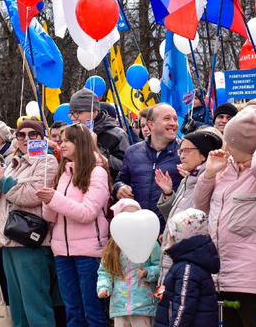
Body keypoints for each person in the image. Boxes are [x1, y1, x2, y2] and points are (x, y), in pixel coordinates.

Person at [194, 105, 256, 326]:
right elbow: (201, 206)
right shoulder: (225, 169)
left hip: (255, 282)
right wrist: (209, 173)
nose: (225, 145)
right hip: (222, 277)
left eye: (229, 140)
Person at [0, 119, 60, 327]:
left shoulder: (47, 161)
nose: (26, 139)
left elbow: (31, 196)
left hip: (31, 243)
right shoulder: (12, 163)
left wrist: (2, 181)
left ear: (41, 138)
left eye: (32, 135)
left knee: (36, 308)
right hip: (9, 240)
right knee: (17, 308)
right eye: (21, 135)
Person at [36, 123, 111, 327]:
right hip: (62, 252)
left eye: (67, 139)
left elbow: (87, 213)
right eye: (61, 139)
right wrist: (48, 200)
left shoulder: (98, 172)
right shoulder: (64, 172)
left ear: (82, 143)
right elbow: (51, 217)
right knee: (73, 312)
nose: (62, 143)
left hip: (89, 253)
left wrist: (55, 199)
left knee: (93, 312)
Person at [155, 129, 223, 281]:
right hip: (172, 259)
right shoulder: (188, 179)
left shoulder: (209, 181)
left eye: (186, 150)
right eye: (180, 151)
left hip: (185, 263)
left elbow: (197, 222)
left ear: (204, 154)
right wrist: (168, 194)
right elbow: (177, 222)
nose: (182, 156)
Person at [114, 103, 183, 232]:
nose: (173, 123)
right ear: (151, 125)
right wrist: (120, 187)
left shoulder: (185, 152)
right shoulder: (132, 152)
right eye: (167, 118)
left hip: (171, 231)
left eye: (175, 119)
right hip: (138, 229)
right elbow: (120, 180)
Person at [97, 199, 161, 327]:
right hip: (120, 306)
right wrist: (104, 287)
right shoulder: (112, 249)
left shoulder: (150, 243)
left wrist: (148, 272)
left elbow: (160, 266)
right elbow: (105, 272)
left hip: (144, 306)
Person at [155, 208, 220, 327]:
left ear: (178, 237)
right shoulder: (186, 264)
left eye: (170, 233)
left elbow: (183, 306)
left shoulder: (187, 268)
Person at [68, 88, 130, 179]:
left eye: (77, 113)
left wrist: (97, 149)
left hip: (108, 189)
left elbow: (125, 168)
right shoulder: (73, 134)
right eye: (71, 114)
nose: (72, 118)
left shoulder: (117, 135)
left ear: (94, 112)